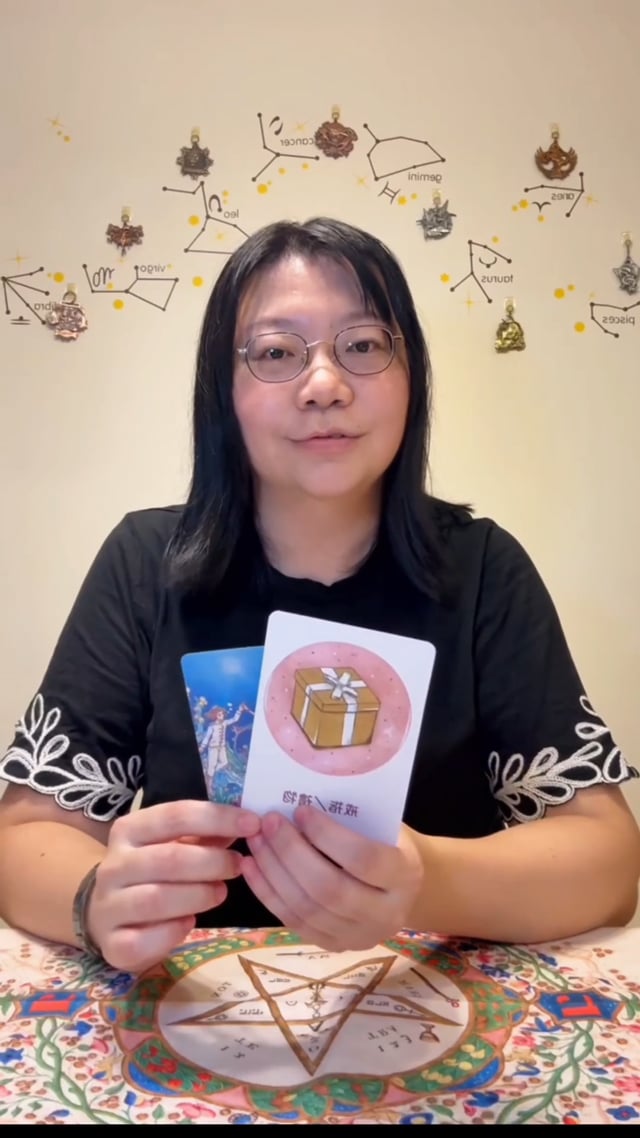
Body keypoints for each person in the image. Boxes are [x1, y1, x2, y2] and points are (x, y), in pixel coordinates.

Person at [0, 217, 638, 975]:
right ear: (223, 391)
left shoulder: (482, 568)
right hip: (196, 1001)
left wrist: (424, 882)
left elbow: (607, 863)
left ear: (412, 379)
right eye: (276, 353)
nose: (325, 385)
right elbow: (24, 839)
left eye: (362, 346)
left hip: (437, 1000)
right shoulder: (145, 563)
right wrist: (94, 898)